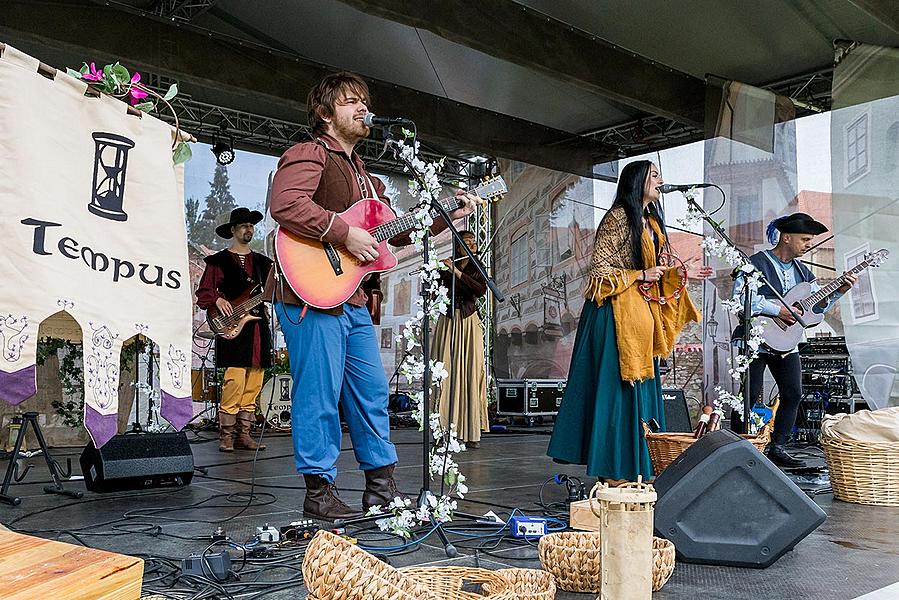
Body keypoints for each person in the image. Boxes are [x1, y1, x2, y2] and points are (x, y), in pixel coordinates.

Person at [267, 71, 478, 521]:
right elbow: (285, 204)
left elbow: (397, 233)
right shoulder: (310, 153)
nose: (363, 109)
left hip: (354, 299)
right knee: (318, 394)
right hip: (309, 295)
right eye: (350, 102)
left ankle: (380, 489)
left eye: (365, 101)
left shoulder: (365, 176)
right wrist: (344, 232)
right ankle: (319, 493)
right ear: (325, 114)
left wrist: (447, 214)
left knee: (371, 392)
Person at [547, 160, 703, 482]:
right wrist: (641, 274)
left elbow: (653, 271)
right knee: (616, 392)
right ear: (637, 182)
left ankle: (637, 467)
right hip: (612, 318)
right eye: (655, 176)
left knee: (638, 393)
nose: (662, 180)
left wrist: (670, 274)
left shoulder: (651, 223)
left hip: (640, 316)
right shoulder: (618, 219)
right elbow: (599, 275)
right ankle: (613, 469)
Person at [731, 212, 857, 468]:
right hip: (757, 336)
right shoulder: (755, 263)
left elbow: (813, 310)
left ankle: (778, 447)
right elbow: (739, 301)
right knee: (749, 396)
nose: (809, 244)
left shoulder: (805, 273)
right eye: (805, 239)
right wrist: (779, 310)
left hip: (787, 342)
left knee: (793, 393)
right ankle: (737, 446)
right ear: (786, 238)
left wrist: (839, 291)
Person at [196, 207, 272, 453]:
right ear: (232, 230)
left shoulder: (263, 263)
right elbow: (205, 291)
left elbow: (272, 292)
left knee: (255, 380)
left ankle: (244, 435)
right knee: (234, 380)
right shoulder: (217, 261)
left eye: (251, 225)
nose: (248, 229)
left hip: (258, 326)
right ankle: (226, 436)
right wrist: (217, 300)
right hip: (231, 325)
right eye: (243, 225)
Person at [431, 231, 489, 449]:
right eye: (468, 242)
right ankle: (444, 430)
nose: (473, 244)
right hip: (448, 320)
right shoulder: (446, 266)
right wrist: (438, 270)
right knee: (445, 371)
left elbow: (479, 289)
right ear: (457, 247)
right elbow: (435, 288)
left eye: (474, 241)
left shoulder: (478, 266)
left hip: (467, 321)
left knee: (470, 372)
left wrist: (455, 271)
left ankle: (471, 430)